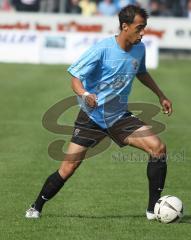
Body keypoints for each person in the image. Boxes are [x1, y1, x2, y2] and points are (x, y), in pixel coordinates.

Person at [25, 4, 172, 220]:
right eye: (139, 28)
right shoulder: (101, 49)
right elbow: (75, 78)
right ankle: (35, 207)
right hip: (92, 116)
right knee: (68, 167)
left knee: (158, 148)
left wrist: (161, 95)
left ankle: (152, 211)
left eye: (145, 28)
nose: (143, 33)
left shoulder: (140, 49)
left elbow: (141, 72)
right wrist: (85, 95)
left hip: (119, 116)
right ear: (125, 26)